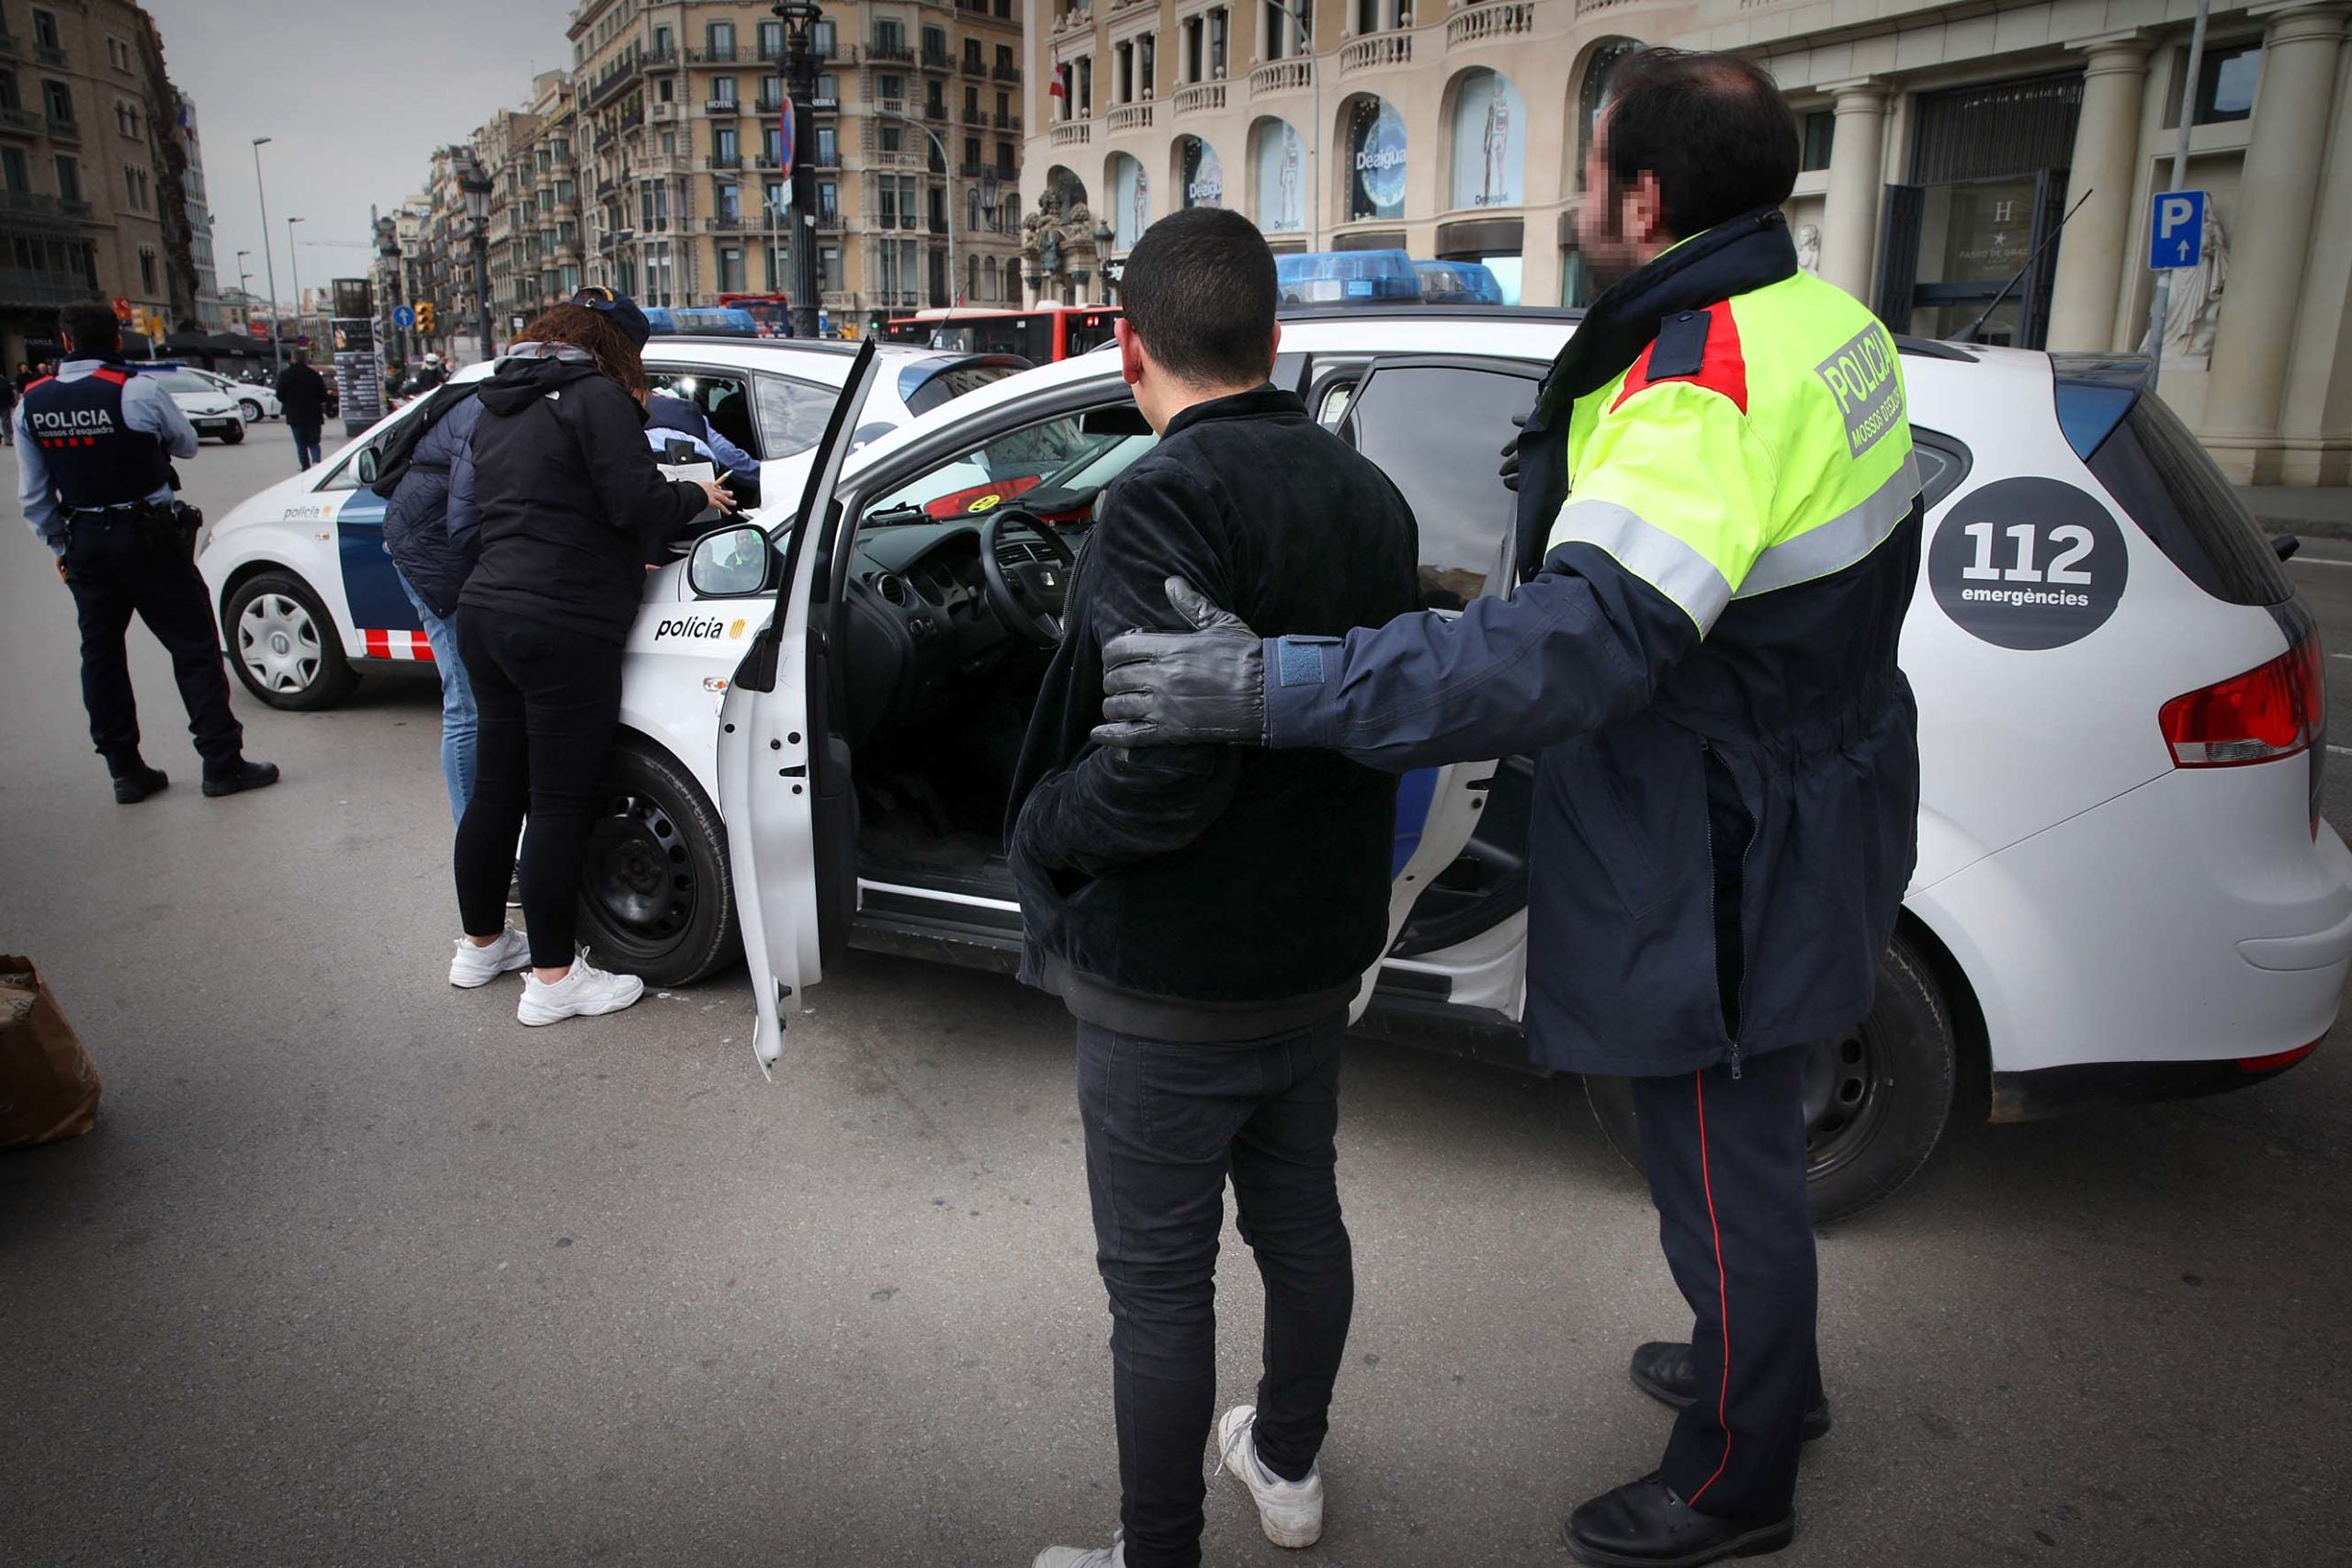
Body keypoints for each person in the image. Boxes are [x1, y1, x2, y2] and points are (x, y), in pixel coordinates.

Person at [1091, 51, 1922, 1568]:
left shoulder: (1704, 382)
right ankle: (1762, 1363)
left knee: (1720, 1151)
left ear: (1643, 196)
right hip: (1816, 787)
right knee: (1731, 1148)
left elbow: (1577, 643)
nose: (1577, 193)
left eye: (1592, 170)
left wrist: (1277, 685)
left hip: (1727, 835)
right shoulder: (1829, 325)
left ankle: (1738, 1469)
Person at [1019, 208, 1422, 1568]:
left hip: (1171, 977)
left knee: (1159, 1284)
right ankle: (1289, 1463)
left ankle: (1158, 1548)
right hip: (1310, 955)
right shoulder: (1371, 494)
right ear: (1276, 340)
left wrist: (1043, 828)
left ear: (1128, 346)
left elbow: (1155, 773)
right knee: (1301, 1221)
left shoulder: (1160, 495)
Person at [442, 295, 735, 1022]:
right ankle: (552, 979)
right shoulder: (596, 396)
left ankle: (481, 945)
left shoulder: (499, 403)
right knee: (560, 802)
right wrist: (695, 492)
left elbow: (492, 512)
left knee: (496, 791)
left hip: (487, 611)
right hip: (562, 620)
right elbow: (634, 502)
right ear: (616, 348)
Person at [16, 301, 279, 802]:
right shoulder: (135, 390)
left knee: (101, 656)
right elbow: (185, 445)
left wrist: (60, 545)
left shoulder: (32, 402)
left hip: (85, 542)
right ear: (116, 340)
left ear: (66, 344)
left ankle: (125, 771)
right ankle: (221, 765)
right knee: (194, 649)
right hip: (149, 537)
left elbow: (33, 496)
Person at [381, 384, 485, 823]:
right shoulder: (492, 409)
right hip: (433, 553)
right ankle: (472, 836)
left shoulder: (499, 398)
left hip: (434, 541)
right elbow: (466, 519)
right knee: (467, 703)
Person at [643, 389, 760, 495]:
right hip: (703, 497)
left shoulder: (628, 417)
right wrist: (766, 477)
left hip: (651, 498)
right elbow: (729, 456)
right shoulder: (688, 414)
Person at [274, 348, 329, 470]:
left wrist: (290, 403)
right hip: (314, 415)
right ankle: (317, 464)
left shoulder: (285, 375)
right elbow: (323, 396)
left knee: (301, 444)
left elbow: (279, 395)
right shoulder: (313, 375)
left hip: (295, 416)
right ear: (305, 360)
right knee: (314, 443)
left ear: (292, 359)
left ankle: (305, 467)